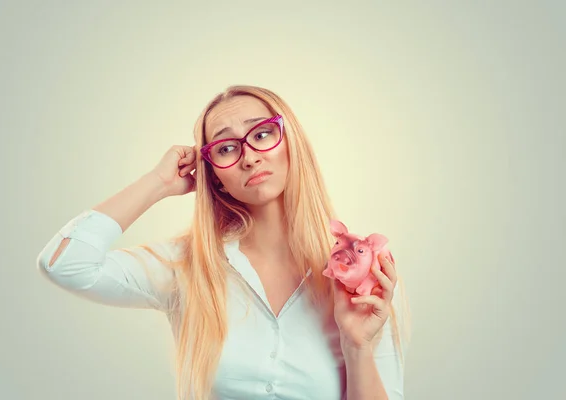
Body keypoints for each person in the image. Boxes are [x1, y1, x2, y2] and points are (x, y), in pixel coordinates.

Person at [36, 85, 412, 400]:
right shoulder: (186, 265)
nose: (249, 157)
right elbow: (64, 263)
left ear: (290, 143)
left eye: (262, 133)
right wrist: (159, 183)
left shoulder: (361, 274)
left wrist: (358, 345)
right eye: (226, 148)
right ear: (213, 175)